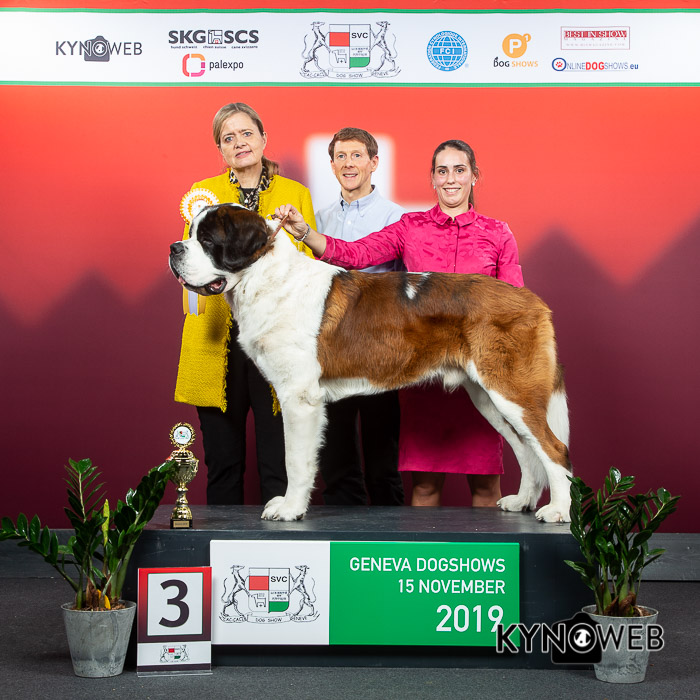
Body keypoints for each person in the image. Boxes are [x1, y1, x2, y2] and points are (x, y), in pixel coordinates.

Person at [274, 139, 523, 508]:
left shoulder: (498, 232)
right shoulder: (410, 226)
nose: (450, 179)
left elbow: (513, 303)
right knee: (424, 488)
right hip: (422, 371)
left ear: (474, 176)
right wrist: (304, 232)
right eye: (442, 171)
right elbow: (356, 254)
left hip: (481, 371)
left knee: (487, 488)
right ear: (432, 179)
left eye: (459, 170)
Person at [174, 102, 316, 505]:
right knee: (222, 459)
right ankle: (220, 535)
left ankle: (285, 532)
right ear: (220, 149)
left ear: (264, 138)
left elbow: (308, 266)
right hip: (216, 335)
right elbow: (193, 264)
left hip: (277, 334)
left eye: (246, 133)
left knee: (278, 456)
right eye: (228, 138)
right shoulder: (203, 193)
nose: (239, 143)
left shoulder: (295, 193)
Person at [315, 127, 405, 506]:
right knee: (335, 451)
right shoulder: (318, 221)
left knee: (382, 452)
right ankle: (340, 527)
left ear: (374, 162)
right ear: (332, 164)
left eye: (356, 155)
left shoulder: (397, 218)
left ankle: (390, 529)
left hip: (379, 345)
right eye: (341, 156)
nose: (348, 163)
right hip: (331, 346)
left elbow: (406, 285)